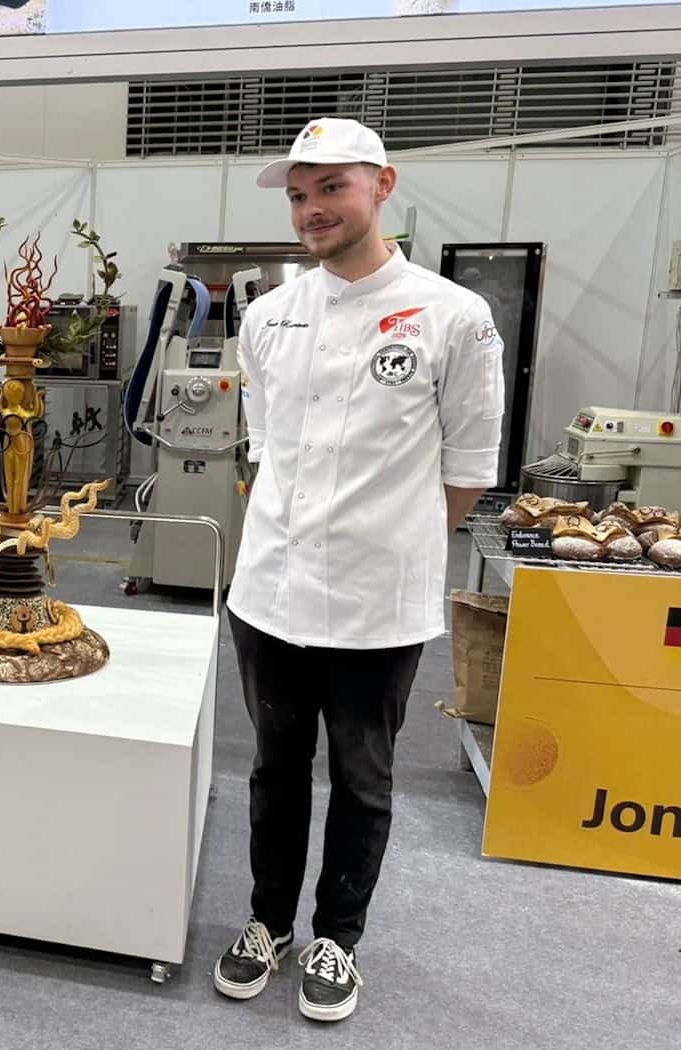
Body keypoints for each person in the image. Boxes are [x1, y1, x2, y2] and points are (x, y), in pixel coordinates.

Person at [213, 119, 504, 1021]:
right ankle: (270, 921)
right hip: (268, 593)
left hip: (379, 604)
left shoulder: (452, 315)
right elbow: (265, 454)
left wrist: (388, 545)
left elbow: (466, 474)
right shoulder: (267, 316)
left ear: (383, 186)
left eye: (330, 188)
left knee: (364, 775)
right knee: (274, 769)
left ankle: (338, 937)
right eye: (298, 194)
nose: (310, 210)